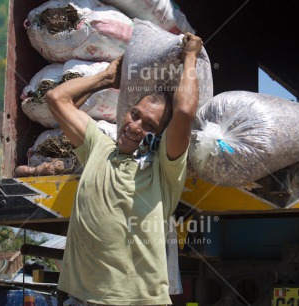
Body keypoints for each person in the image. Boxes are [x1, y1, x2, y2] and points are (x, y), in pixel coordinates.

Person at [46, 32, 203, 306]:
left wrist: (190, 57)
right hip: (82, 299)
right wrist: (105, 78)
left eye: (149, 126)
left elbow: (184, 114)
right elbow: (56, 98)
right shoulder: (98, 147)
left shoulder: (163, 173)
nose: (134, 126)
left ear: (160, 136)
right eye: (135, 114)